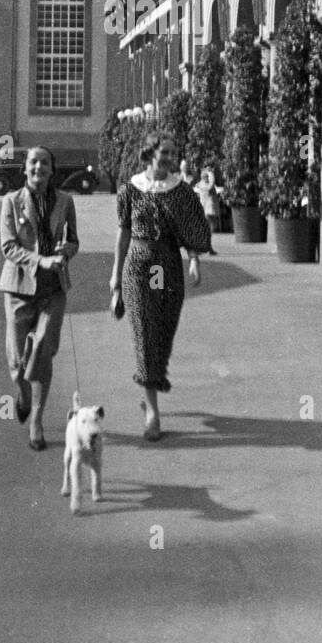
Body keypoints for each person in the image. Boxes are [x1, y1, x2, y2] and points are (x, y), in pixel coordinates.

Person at [110, 134, 212, 440]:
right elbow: (123, 234)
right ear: (150, 154)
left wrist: (194, 259)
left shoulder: (181, 192)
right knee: (145, 332)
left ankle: (151, 384)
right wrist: (115, 277)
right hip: (139, 266)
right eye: (164, 152)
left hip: (166, 266)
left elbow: (192, 227)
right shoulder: (130, 189)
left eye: (173, 152)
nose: (169, 157)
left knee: (163, 334)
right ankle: (152, 411)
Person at [0, 146, 79, 451]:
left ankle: (36, 421)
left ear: (51, 169)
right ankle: (22, 391)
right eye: (33, 162)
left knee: (43, 354)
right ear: (25, 168)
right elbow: (8, 247)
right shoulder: (11, 201)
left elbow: (73, 241)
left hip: (53, 288)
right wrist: (39, 260)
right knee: (18, 362)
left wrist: (63, 253)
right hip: (19, 288)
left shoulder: (65, 201)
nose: (38, 168)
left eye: (45, 163)